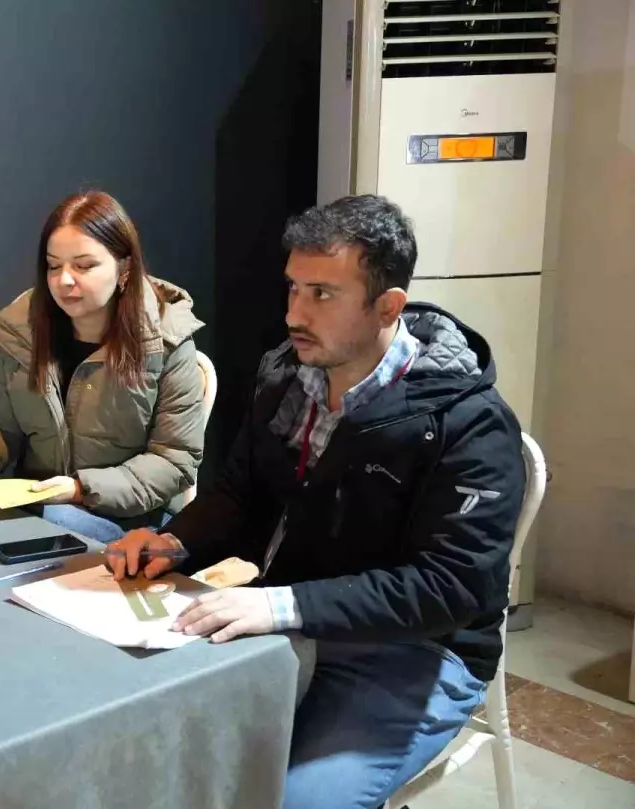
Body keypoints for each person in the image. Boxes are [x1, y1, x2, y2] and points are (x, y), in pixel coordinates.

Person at [108, 195, 526, 809]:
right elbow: (241, 494)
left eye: (323, 294)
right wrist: (176, 542)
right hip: (295, 619)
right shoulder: (287, 376)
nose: (294, 314)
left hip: (415, 652)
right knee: (142, 750)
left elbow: (451, 588)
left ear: (388, 307)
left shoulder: (469, 423)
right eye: (293, 288)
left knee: (293, 802)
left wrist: (283, 605)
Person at [0, 190, 205, 543]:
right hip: (40, 509)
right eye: (54, 266)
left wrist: (81, 489)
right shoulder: (22, 332)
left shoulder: (167, 340)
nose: (64, 280)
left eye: (83, 266)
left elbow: (174, 461)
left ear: (125, 268)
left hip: (130, 524)